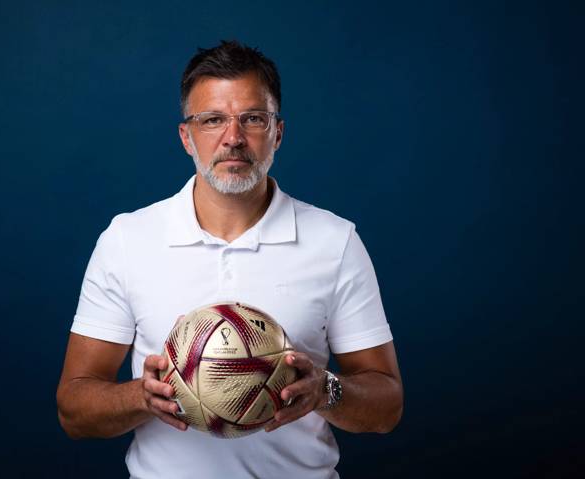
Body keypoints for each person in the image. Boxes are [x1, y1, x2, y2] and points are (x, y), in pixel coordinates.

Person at [56, 40, 403, 479]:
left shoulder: (335, 242)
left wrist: (325, 390)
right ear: (187, 137)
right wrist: (143, 397)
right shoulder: (128, 240)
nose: (233, 138)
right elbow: (74, 409)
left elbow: (387, 406)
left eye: (253, 119)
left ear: (278, 132)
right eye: (212, 120)